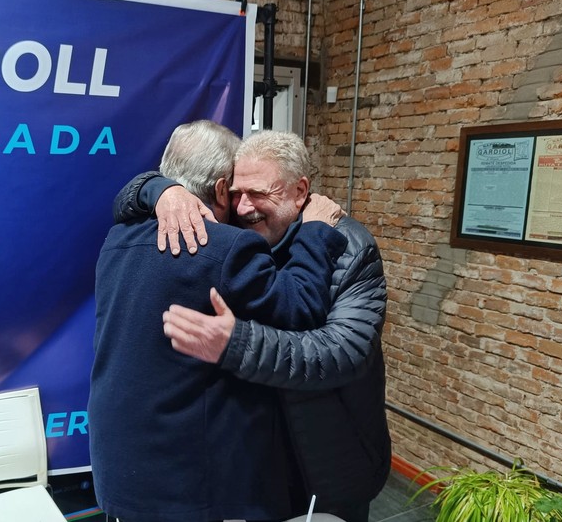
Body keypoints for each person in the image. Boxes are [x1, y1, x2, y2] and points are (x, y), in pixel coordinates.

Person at [114, 129, 391, 522]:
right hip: (256, 466)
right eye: (238, 192)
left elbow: (342, 352)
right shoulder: (232, 237)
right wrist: (161, 191)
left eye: (260, 194)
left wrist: (237, 344)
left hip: (325, 459)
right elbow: (123, 205)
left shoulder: (350, 246)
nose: (244, 207)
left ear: (300, 190)